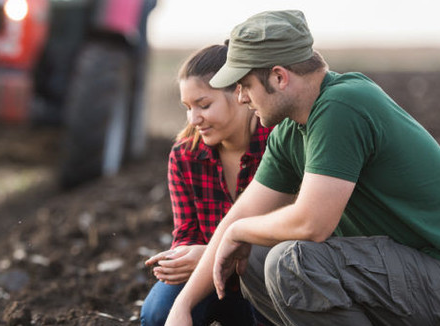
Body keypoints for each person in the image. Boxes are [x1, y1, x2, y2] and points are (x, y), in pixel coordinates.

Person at [165, 10, 440, 326]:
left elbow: (311, 224)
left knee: (292, 263)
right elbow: (239, 215)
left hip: (430, 272)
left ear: (279, 77)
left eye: (244, 85)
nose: (240, 98)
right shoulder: (289, 132)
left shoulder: (342, 106)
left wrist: (238, 232)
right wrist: (182, 306)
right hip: (393, 275)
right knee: (254, 259)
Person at [140, 43, 273, 325]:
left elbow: (292, 234)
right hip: (209, 282)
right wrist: (181, 257)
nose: (193, 119)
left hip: (269, 282)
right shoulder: (185, 155)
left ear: (239, 93)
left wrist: (214, 255)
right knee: (157, 313)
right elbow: (186, 232)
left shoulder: (277, 144)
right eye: (188, 108)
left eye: (204, 105)